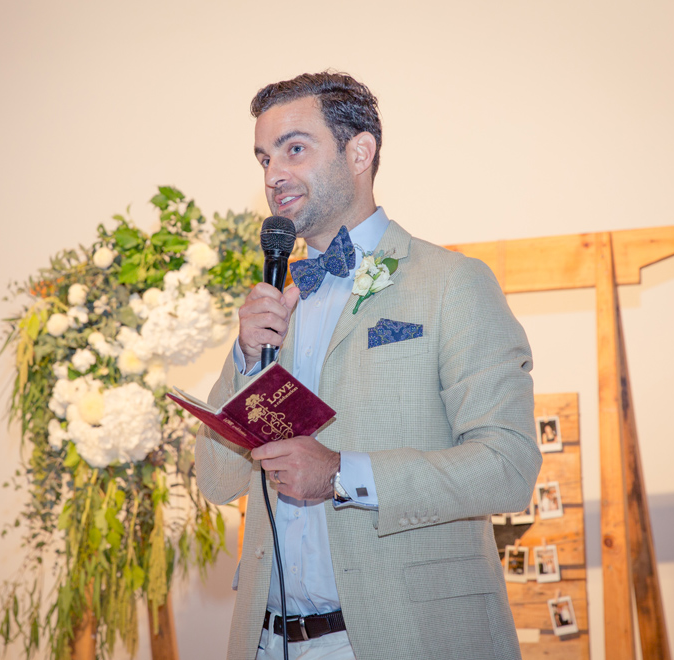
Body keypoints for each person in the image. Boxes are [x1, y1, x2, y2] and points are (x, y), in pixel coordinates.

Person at [198, 72, 540, 660]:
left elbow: (508, 466)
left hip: (402, 639)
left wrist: (340, 473)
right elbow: (216, 480)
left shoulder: (451, 283)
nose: (273, 175)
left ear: (360, 152)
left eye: (294, 148)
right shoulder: (276, 302)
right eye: (264, 158)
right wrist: (247, 359)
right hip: (268, 641)